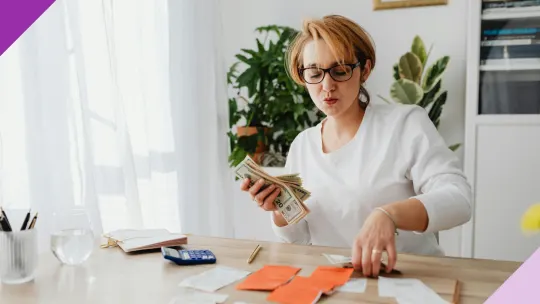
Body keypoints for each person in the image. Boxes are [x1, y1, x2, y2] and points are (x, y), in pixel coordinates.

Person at [239, 14, 472, 277]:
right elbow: (301, 241)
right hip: (339, 285)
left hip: (410, 281)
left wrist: (389, 214)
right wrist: (278, 209)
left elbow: (459, 199)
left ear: (365, 70)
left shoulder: (405, 124)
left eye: (339, 71)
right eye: (314, 73)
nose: (327, 85)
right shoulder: (303, 145)